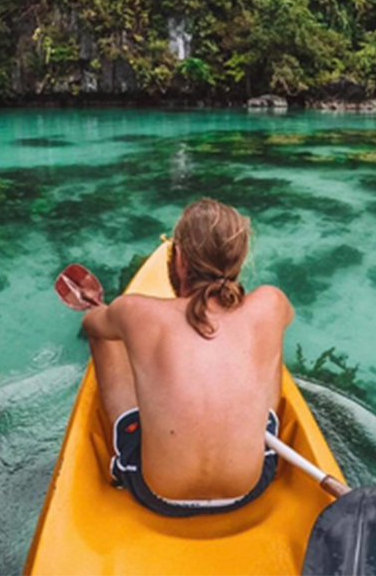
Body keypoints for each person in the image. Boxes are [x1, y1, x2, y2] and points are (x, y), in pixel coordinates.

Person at [81, 197, 294, 518]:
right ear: (240, 258)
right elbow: (279, 317)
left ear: (178, 258)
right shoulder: (271, 303)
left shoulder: (134, 311)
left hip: (156, 493)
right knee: (272, 335)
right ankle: (260, 429)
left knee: (101, 336)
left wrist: (105, 312)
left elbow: (90, 324)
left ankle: (124, 432)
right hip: (250, 487)